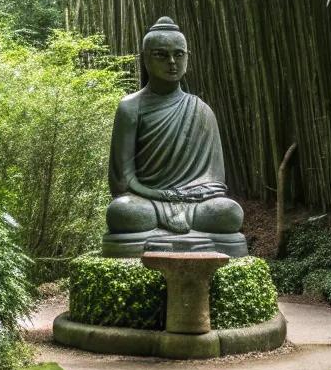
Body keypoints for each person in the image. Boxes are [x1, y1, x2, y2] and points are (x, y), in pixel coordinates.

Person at [102, 16, 247, 258]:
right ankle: (167, 232)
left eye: (179, 54)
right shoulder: (130, 107)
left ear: (187, 58)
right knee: (121, 212)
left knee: (229, 213)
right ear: (146, 58)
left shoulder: (201, 110)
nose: (172, 62)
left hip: (195, 204)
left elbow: (215, 181)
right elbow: (122, 182)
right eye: (161, 55)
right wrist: (162, 196)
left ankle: (170, 234)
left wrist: (186, 197)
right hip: (146, 203)